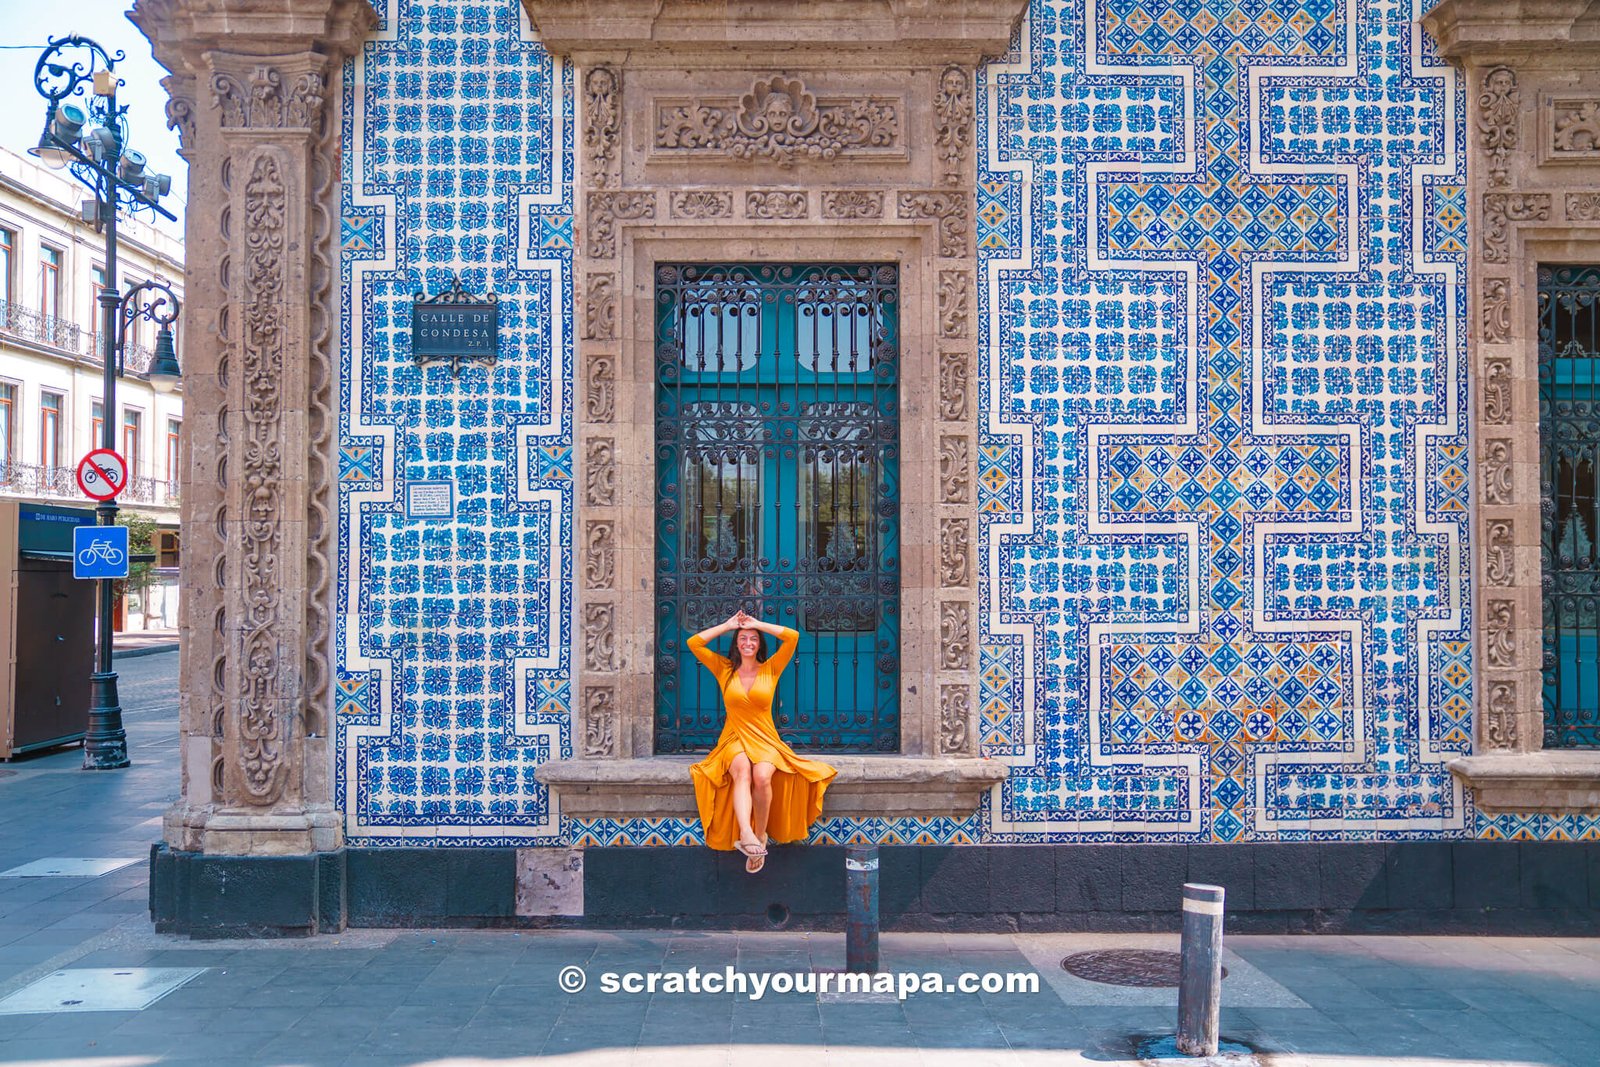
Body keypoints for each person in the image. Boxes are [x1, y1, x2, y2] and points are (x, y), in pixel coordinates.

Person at [687, 611, 837, 874]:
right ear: (736, 644)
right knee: (742, 769)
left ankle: (760, 835)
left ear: (759, 644)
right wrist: (728, 625)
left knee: (763, 776)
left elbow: (792, 637)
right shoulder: (724, 670)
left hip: (765, 737)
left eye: (753, 639)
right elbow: (694, 643)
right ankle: (745, 833)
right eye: (742, 639)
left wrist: (757, 624)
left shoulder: (771, 668)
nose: (747, 643)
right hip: (733, 737)